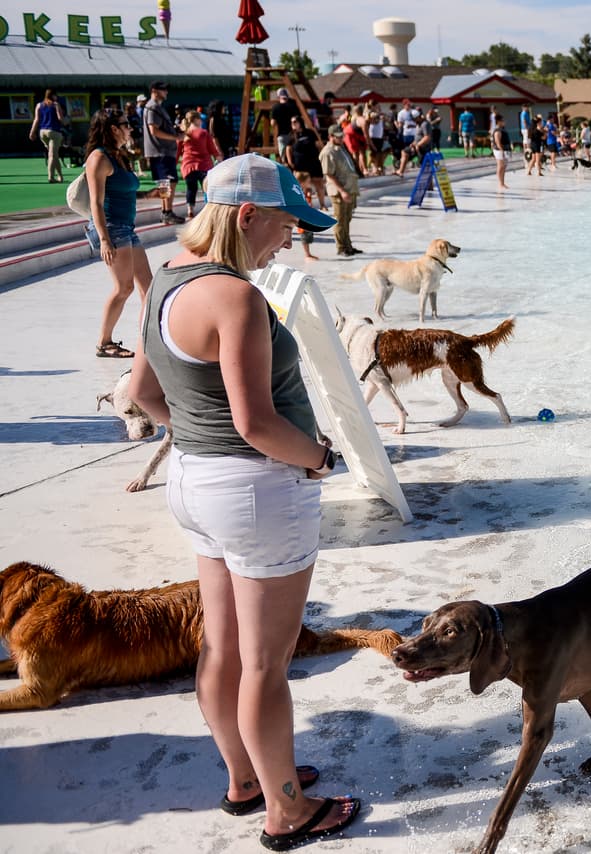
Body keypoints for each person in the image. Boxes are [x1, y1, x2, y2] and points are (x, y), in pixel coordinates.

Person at [124, 154, 361, 852]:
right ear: (248, 216)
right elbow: (257, 423)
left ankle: (246, 779)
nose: (288, 241)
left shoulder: (166, 281)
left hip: (195, 483)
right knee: (266, 664)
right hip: (257, 492)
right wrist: (320, 458)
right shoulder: (237, 298)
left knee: (222, 647)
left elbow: (140, 393)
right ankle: (288, 811)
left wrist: (196, 436)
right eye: (285, 226)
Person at [82, 108, 156, 359]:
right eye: (126, 124)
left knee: (148, 286)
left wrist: (149, 195)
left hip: (126, 227)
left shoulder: (119, 155)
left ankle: (150, 341)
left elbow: (125, 191)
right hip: (111, 228)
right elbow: (96, 202)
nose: (130, 128)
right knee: (123, 288)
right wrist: (104, 239)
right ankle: (104, 343)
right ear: (113, 128)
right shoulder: (99, 158)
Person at [143, 80, 183, 225]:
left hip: (163, 151)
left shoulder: (156, 107)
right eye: (163, 89)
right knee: (168, 182)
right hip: (160, 151)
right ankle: (167, 212)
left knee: (166, 183)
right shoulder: (153, 107)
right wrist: (175, 137)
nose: (166, 92)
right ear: (154, 90)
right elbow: (154, 130)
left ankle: (166, 211)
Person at [321, 123, 363, 256]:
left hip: (349, 188)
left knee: (347, 219)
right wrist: (343, 191)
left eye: (341, 136)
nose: (341, 139)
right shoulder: (328, 152)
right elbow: (329, 174)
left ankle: (348, 245)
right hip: (340, 191)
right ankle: (341, 247)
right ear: (330, 136)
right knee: (340, 220)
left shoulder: (340, 148)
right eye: (338, 137)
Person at [178, 109, 222, 220]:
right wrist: (219, 157)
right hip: (204, 165)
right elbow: (212, 149)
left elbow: (177, 151)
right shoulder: (203, 133)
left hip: (188, 166)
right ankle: (209, 209)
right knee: (207, 188)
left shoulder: (184, 134)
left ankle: (190, 210)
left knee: (191, 189)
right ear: (197, 119)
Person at [286, 115, 326, 210]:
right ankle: (304, 206)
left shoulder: (310, 133)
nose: (293, 124)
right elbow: (288, 149)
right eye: (292, 122)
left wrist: (322, 157)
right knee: (301, 187)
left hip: (314, 163)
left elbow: (318, 145)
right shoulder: (291, 135)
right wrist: (290, 162)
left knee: (319, 184)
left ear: (300, 122)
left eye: (295, 122)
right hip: (300, 165)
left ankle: (322, 205)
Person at [29, 89, 66, 183]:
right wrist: (66, 121)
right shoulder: (56, 105)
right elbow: (60, 118)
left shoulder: (39, 105)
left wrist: (32, 132)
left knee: (54, 154)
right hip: (54, 132)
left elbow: (36, 120)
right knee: (52, 155)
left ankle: (60, 176)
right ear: (53, 95)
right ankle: (51, 176)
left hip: (43, 132)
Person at [292, 169, 319, 261]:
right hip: (302, 218)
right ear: (301, 182)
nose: (309, 183)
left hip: (308, 216)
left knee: (308, 235)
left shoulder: (306, 190)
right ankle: (307, 254)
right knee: (304, 235)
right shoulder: (297, 192)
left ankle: (308, 253)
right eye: (308, 181)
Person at [270, 88, 302, 161]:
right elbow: (298, 118)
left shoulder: (276, 107)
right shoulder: (293, 106)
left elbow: (273, 123)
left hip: (282, 135)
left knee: (283, 156)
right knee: (293, 154)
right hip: (293, 133)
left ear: (279, 96)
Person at [491, 114, 510, 190]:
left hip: (504, 149)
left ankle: (502, 182)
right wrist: (501, 150)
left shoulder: (502, 129)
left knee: (504, 167)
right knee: (500, 166)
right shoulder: (497, 130)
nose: (504, 122)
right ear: (498, 122)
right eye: (502, 120)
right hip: (499, 150)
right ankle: (500, 183)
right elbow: (497, 142)